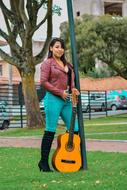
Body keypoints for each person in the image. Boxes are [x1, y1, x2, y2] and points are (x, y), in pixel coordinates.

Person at [38, 38, 79, 172]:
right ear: (51, 48)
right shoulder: (47, 64)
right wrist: (60, 92)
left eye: (62, 47)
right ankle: (43, 163)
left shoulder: (69, 65)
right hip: (53, 100)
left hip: (68, 101)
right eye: (56, 47)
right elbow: (43, 82)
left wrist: (73, 89)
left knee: (75, 130)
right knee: (50, 130)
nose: (60, 49)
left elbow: (71, 82)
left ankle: (68, 157)